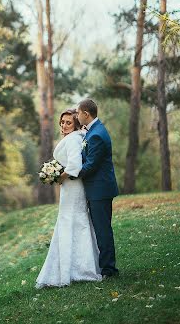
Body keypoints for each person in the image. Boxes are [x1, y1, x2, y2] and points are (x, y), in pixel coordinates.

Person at [35, 109, 102, 288]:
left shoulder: (73, 139)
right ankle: (73, 267)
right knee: (73, 221)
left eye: (68, 123)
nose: (64, 125)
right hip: (71, 187)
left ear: (76, 125)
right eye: (62, 122)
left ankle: (79, 269)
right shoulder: (76, 137)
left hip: (73, 187)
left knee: (73, 221)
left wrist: (59, 177)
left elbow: (74, 165)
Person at [70, 98, 120, 279]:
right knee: (101, 228)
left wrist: (69, 174)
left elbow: (91, 165)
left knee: (102, 230)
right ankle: (107, 267)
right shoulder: (93, 131)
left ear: (86, 114)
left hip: (100, 190)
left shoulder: (97, 135)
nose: (76, 116)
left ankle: (109, 270)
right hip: (98, 189)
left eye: (78, 113)